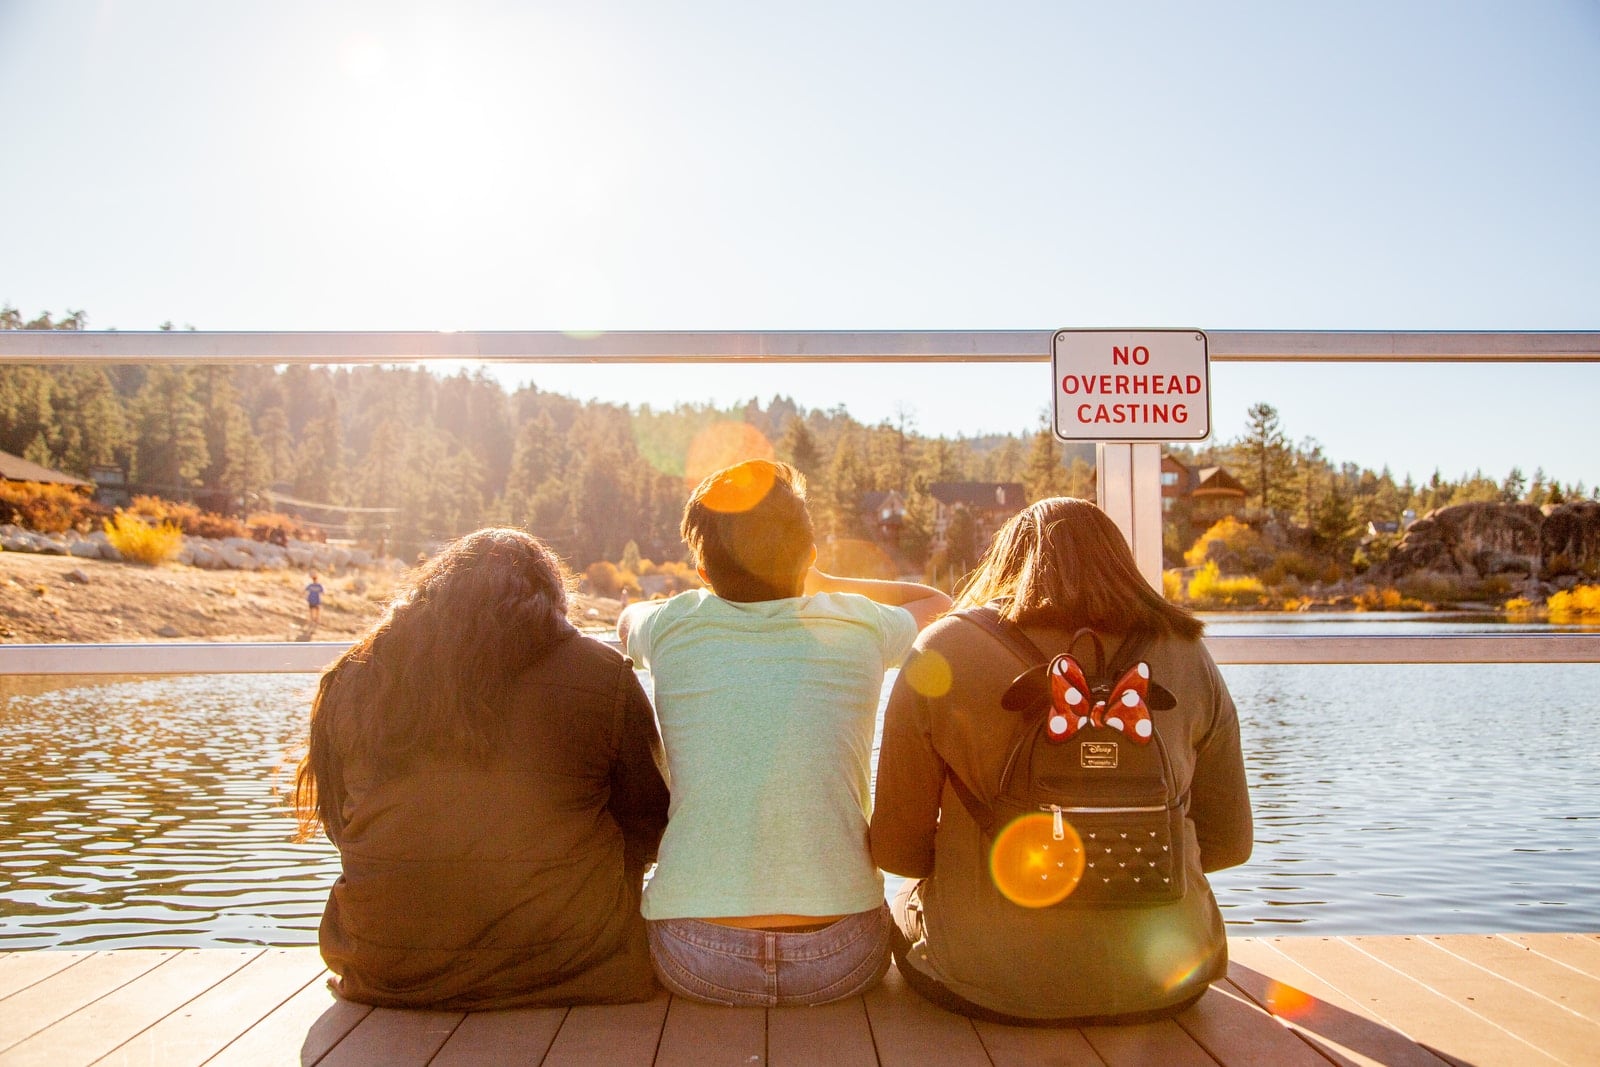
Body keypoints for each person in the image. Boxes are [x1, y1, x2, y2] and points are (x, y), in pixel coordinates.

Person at [870, 497, 1252, 1026]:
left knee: (901, 904)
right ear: (1121, 563)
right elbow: (1230, 842)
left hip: (986, 981)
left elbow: (899, 853)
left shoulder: (942, 648)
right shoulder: (1187, 651)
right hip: (1170, 981)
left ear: (1006, 561)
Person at [618, 459, 950, 1007]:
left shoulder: (672, 624)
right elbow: (938, 605)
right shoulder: (857, 622)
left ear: (702, 572)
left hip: (692, 951)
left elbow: (629, 618)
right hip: (840, 956)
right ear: (810, 554)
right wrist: (816, 579)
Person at [294, 528, 670, 1010]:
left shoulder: (356, 673)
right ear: (554, 598)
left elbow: (341, 825)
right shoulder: (601, 673)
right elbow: (650, 823)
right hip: (577, 963)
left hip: (386, 966)